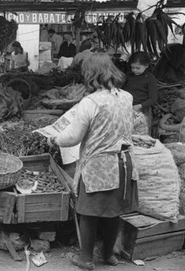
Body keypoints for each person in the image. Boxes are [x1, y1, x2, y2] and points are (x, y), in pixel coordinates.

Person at [47, 53, 138, 270]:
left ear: (90, 74)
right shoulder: (127, 97)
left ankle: (86, 258)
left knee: (88, 211)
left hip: (99, 166)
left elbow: (73, 137)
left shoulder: (90, 102)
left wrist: (54, 139)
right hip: (124, 163)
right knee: (113, 210)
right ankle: (108, 255)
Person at [122, 52, 157, 133]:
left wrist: (140, 106)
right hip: (128, 108)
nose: (134, 70)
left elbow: (153, 99)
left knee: (141, 133)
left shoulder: (150, 78)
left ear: (146, 65)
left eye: (138, 68)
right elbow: (122, 91)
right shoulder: (128, 76)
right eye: (132, 67)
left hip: (143, 110)